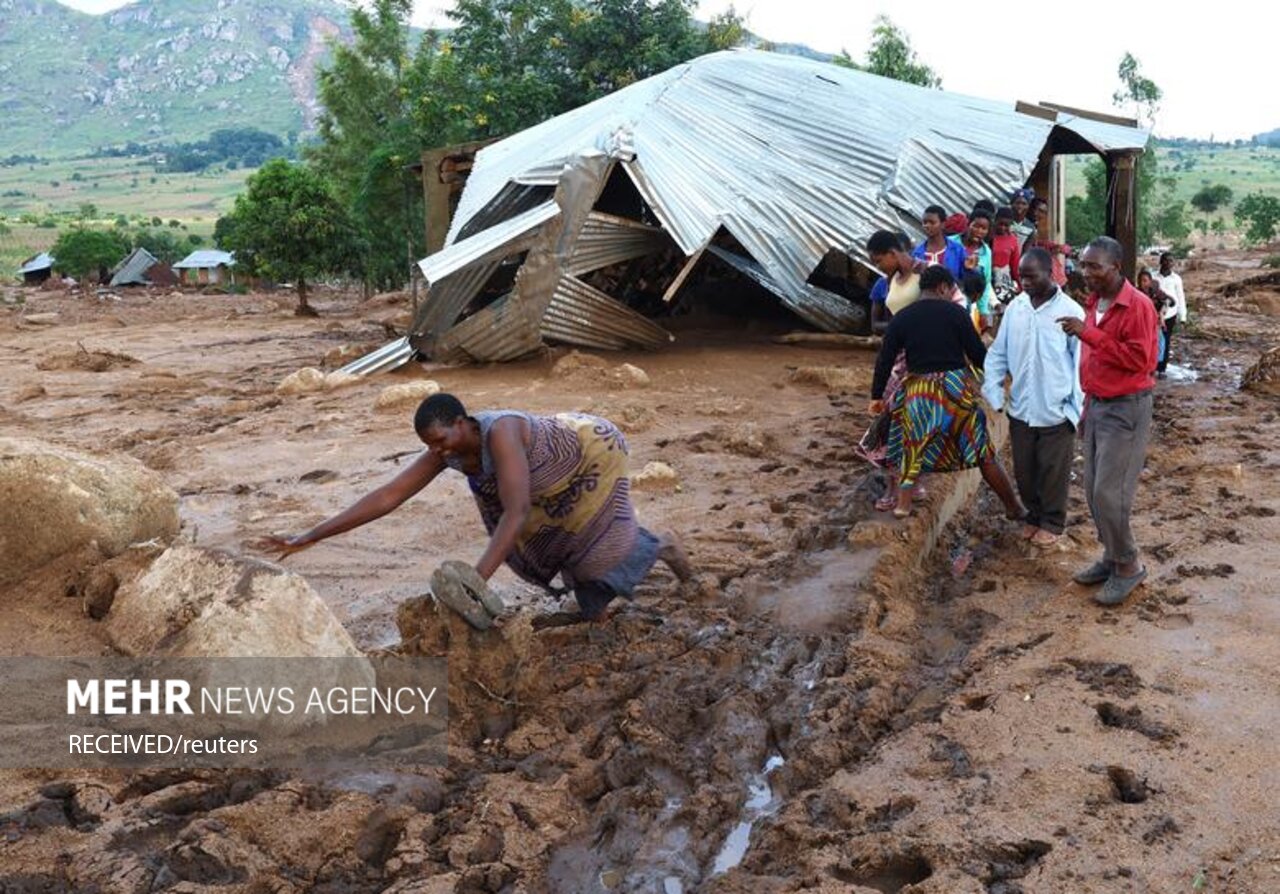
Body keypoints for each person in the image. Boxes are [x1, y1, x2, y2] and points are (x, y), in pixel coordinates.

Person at [260, 394, 691, 622]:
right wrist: (312, 535)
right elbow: (388, 497)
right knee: (560, 544)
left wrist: (474, 585)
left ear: (464, 423)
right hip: (539, 484)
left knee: (598, 550)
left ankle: (665, 547)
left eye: (443, 439)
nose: (438, 451)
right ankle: (595, 604)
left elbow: (516, 511)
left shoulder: (500, 433)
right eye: (430, 446)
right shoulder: (444, 451)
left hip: (588, 453)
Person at [869, 265, 1026, 520]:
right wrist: (998, 378)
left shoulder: (902, 317)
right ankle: (1013, 506)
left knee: (913, 447)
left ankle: (903, 505)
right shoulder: (956, 313)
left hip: (918, 390)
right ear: (943, 287)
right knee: (983, 452)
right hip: (954, 388)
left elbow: (884, 360)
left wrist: (877, 396)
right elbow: (977, 354)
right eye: (952, 288)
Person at [1056, 237, 1160, 607]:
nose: (1086, 273)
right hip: (1099, 404)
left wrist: (1090, 335)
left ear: (1116, 267)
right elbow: (1095, 360)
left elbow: (1142, 361)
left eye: (1094, 266)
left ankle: (1129, 565)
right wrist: (1086, 408)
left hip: (1127, 408)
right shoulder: (1094, 302)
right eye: (1083, 265)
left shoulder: (1138, 306)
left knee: (1109, 494)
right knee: (1092, 490)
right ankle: (1111, 557)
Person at [982, 248, 1084, 547]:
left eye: (1030, 276)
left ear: (1050, 274)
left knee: (1053, 470)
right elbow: (999, 353)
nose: (1024, 282)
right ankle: (1033, 516)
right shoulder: (1016, 308)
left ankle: (1052, 521)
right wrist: (995, 390)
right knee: (1025, 470)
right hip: (1022, 407)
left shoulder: (1071, 312)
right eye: (1021, 276)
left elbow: (1081, 364)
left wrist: (1073, 410)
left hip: (1056, 408)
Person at [958, 210, 996, 331]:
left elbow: (986, 282)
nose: (979, 231)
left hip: (969, 306)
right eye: (976, 226)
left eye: (984, 228)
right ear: (968, 224)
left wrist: (983, 311)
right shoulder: (952, 243)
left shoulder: (986, 253)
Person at [1152, 252, 1188, 376]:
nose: (1168, 263)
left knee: (1166, 341)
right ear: (1161, 261)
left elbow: (1180, 297)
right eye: (1166, 260)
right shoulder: (1153, 277)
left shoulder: (1176, 279)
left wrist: (1182, 316)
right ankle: (1152, 365)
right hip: (1154, 314)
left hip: (1170, 315)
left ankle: (1162, 368)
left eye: (1171, 261)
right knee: (1153, 340)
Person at [912, 205, 967, 279]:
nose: (927, 226)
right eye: (925, 222)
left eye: (932, 223)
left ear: (943, 224)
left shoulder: (957, 250)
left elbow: (968, 279)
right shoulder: (917, 254)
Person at [1028, 197, 1071, 286]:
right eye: (1038, 210)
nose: (1039, 214)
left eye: (1043, 212)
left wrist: (1058, 248)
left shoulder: (1042, 228)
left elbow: (1062, 248)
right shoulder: (1028, 227)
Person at [1137, 269, 1173, 373]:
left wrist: (1161, 313)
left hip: (1154, 324)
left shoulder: (1156, 292)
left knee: (1158, 344)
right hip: (1141, 325)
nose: (1142, 284)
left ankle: (1153, 368)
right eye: (1140, 281)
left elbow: (1170, 301)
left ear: (1150, 281)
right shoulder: (1136, 293)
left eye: (1145, 280)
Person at [990, 206, 1022, 300]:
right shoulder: (988, 237)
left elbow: (1015, 266)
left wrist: (1021, 286)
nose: (1002, 228)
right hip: (988, 278)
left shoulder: (1012, 240)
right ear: (995, 221)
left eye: (1006, 225)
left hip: (1003, 282)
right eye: (1000, 224)